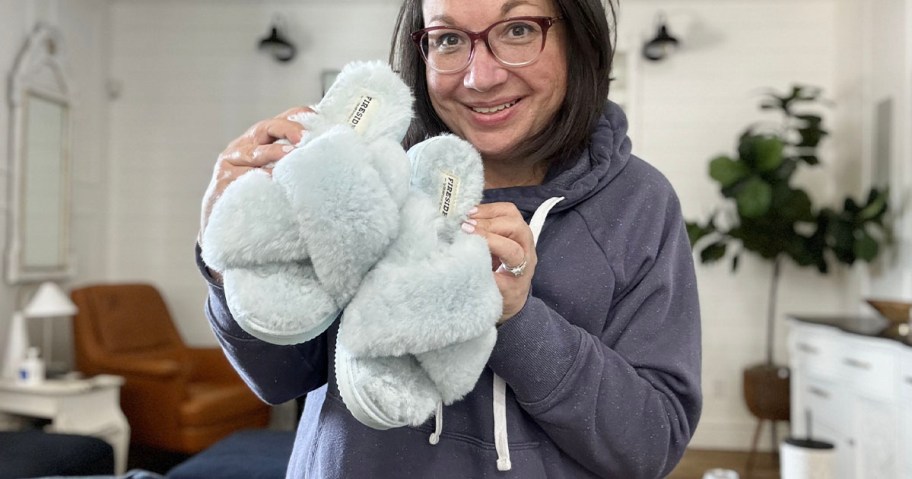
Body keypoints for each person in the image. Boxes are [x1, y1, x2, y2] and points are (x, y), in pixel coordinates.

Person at [196, 0, 702, 477]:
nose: (480, 77)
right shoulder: (366, 168)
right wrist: (233, 253)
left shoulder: (639, 204)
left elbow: (649, 445)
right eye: (448, 39)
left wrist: (517, 319)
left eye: (519, 30)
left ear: (579, 39)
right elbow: (279, 378)